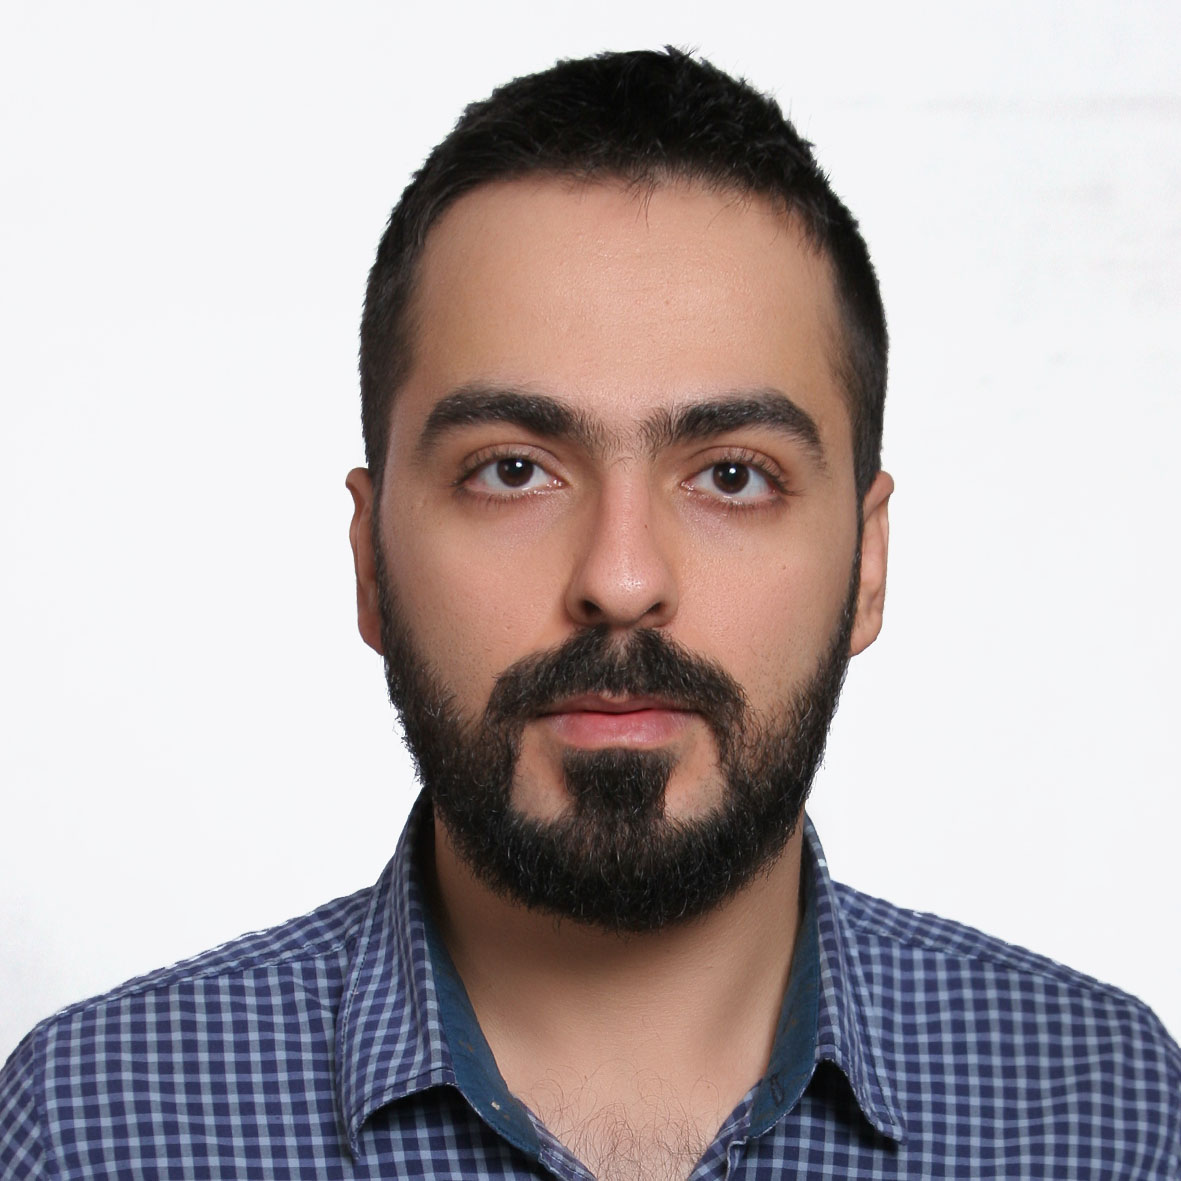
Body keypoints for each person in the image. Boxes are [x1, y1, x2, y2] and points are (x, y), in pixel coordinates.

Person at [1, 46, 1176, 1181]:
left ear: (866, 561)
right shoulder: (91, 1132)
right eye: (512, 469)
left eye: (731, 475)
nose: (618, 577)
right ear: (369, 558)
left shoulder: (1113, 1119)